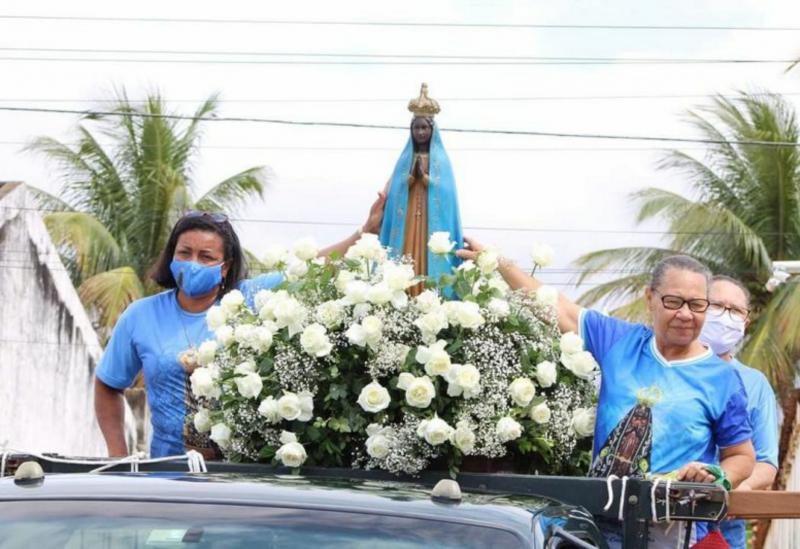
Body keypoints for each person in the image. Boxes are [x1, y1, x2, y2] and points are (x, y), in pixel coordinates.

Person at [457, 240, 755, 547]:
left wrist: (714, 476)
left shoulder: (723, 379)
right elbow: (557, 307)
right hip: (603, 531)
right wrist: (499, 263)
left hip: (680, 537)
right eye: (673, 302)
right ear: (650, 298)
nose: (685, 314)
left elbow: (742, 456)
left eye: (697, 305)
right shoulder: (619, 341)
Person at [95, 198, 386, 458]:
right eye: (184, 253)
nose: (193, 264)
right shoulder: (141, 315)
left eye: (206, 256)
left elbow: (311, 270)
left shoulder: (251, 299)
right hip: (167, 476)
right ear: (172, 256)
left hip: (240, 477)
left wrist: (365, 232)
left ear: (225, 266)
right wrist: (118, 458)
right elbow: (108, 384)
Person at [695, 275, 779, 548]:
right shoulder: (671, 369)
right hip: (662, 519)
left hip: (724, 529)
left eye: (735, 311)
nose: (725, 316)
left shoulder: (754, 383)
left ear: (746, 322)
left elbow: (766, 463)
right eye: (717, 306)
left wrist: (736, 485)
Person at [379, 83, 463, 295]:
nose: (420, 132)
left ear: (432, 130)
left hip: (430, 219)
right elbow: (395, 188)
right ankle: (405, 291)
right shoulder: (404, 159)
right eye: (416, 128)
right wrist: (410, 178)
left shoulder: (441, 159)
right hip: (407, 218)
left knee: (428, 251)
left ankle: (429, 293)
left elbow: (446, 193)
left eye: (424, 128)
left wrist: (425, 178)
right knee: (407, 250)